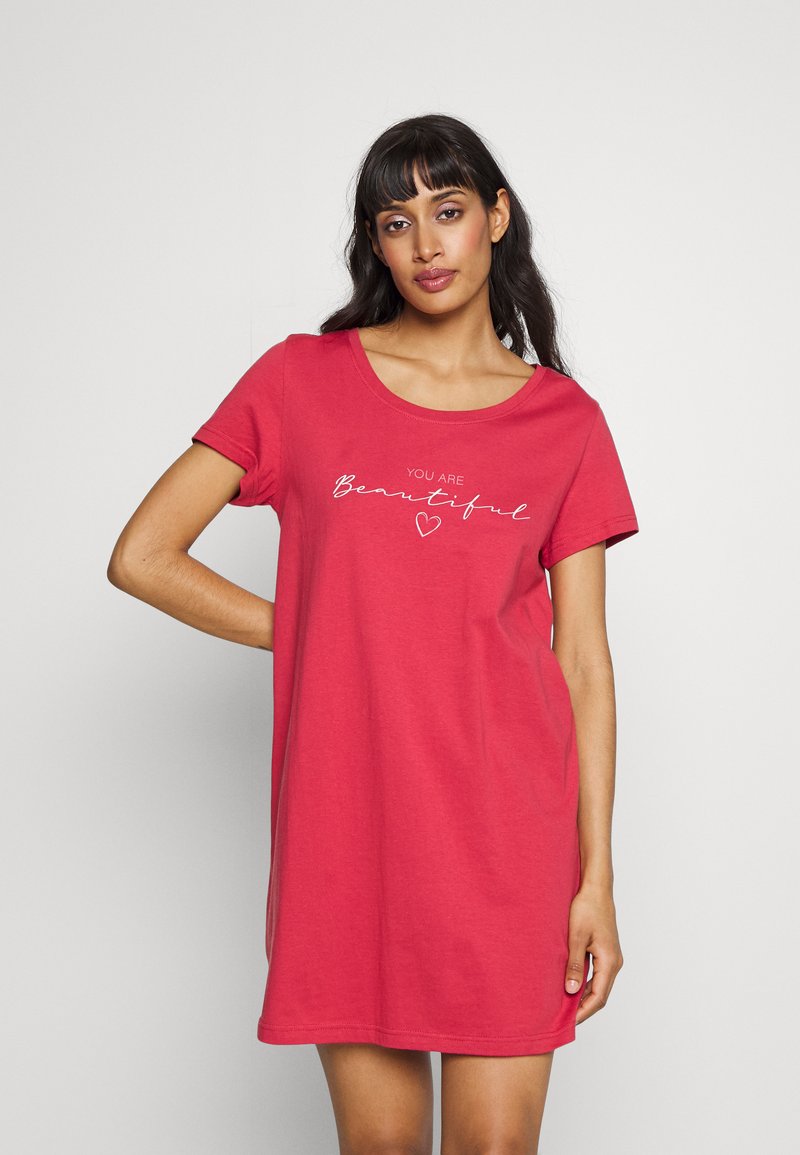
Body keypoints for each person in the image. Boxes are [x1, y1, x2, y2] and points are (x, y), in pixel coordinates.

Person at [108, 112, 640, 1154]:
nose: (426, 244)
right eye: (396, 222)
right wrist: (319, 634)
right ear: (375, 245)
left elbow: (582, 661)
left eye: (448, 210)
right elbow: (144, 556)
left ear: (496, 218)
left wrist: (597, 879)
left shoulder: (563, 422)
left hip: (509, 840)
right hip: (349, 838)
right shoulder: (299, 380)